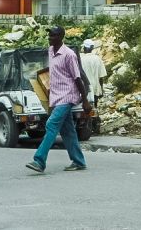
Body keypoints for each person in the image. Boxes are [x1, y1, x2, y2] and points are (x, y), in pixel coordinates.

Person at [25, 26, 91, 174]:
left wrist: (85, 100)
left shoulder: (69, 55)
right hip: (56, 97)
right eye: (49, 36)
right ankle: (79, 161)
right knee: (68, 131)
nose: (50, 38)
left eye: (53, 36)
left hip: (67, 96)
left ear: (61, 37)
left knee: (51, 124)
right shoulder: (50, 51)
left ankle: (39, 160)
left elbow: (77, 78)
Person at [80, 39, 107, 109]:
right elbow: (101, 77)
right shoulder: (97, 59)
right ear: (92, 48)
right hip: (95, 88)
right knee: (94, 108)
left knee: (83, 108)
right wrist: (101, 89)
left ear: (84, 48)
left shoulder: (80, 59)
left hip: (83, 89)